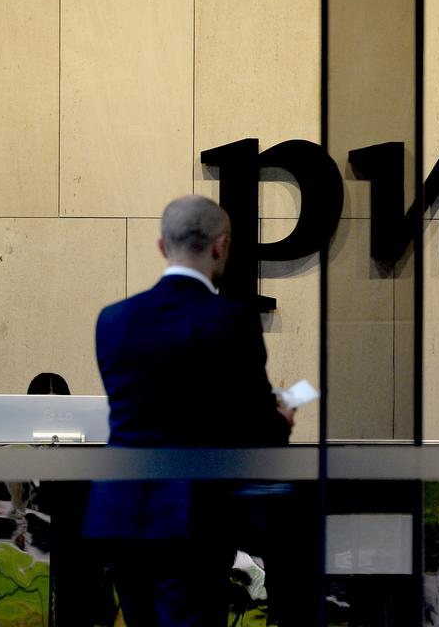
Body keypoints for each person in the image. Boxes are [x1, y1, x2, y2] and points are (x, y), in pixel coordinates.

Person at [84, 194, 296, 626]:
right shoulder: (232, 320)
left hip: (123, 512)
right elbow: (260, 430)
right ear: (221, 246)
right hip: (194, 515)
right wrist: (283, 416)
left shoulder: (113, 320)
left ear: (162, 246)